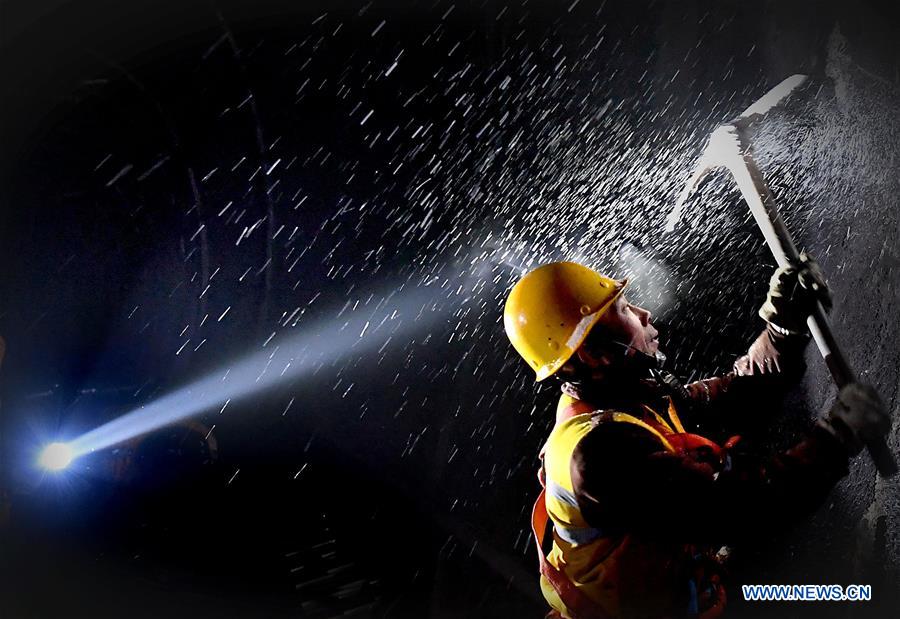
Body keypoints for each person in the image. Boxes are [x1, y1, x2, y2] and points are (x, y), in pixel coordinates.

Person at [503, 260, 890, 619]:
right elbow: (741, 510)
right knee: (826, 594)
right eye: (623, 310)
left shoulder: (624, 401)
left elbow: (736, 397)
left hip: (688, 581)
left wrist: (782, 327)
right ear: (592, 353)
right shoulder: (598, 455)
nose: (644, 314)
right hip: (674, 602)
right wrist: (836, 438)